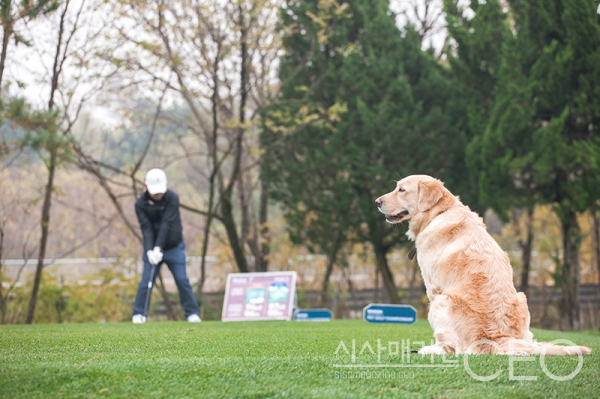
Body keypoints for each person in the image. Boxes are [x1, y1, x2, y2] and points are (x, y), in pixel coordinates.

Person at [132, 168, 201, 323]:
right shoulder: (140, 204)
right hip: (152, 249)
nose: (158, 195)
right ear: (146, 186)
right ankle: (139, 314)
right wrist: (150, 250)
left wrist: (158, 248)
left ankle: (192, 313)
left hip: (173, 247)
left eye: (160, 191)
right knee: (146, 281)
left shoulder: (172, 198)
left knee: (182, 279)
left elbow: (166, 224)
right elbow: (146, 228)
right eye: (154, 192)